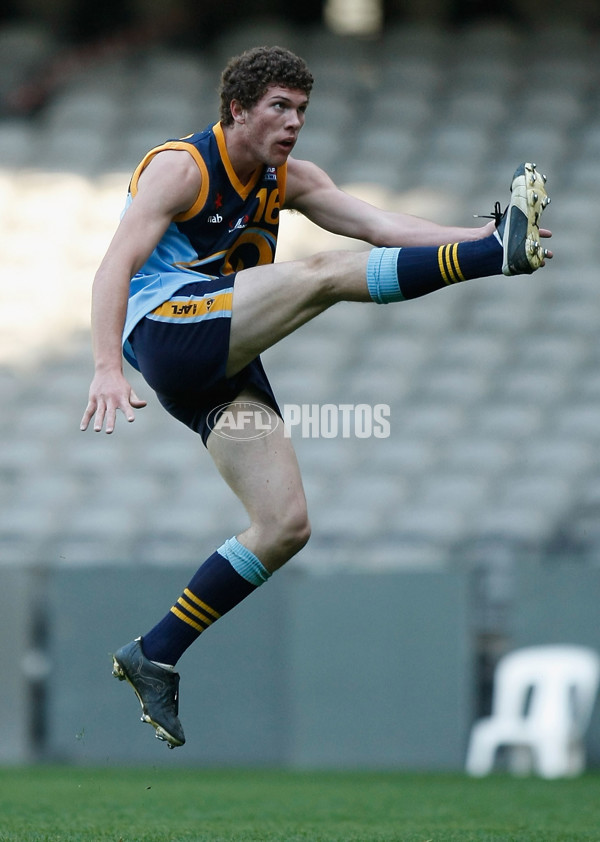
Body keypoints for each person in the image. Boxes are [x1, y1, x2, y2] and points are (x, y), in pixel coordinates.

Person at [80, 45, 552, 749]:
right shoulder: (181, 167)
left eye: (301, 109)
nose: (295, 121)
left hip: (220, 351)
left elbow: (381, 227)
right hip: (168, 332)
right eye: (279, 107)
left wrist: (488, 234)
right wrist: (103, 368)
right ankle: (494, 257)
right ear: (236, 110)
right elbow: (114, 265)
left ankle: (156, 652)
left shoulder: (288, 177)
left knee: (284, 525)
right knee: (323, 274)